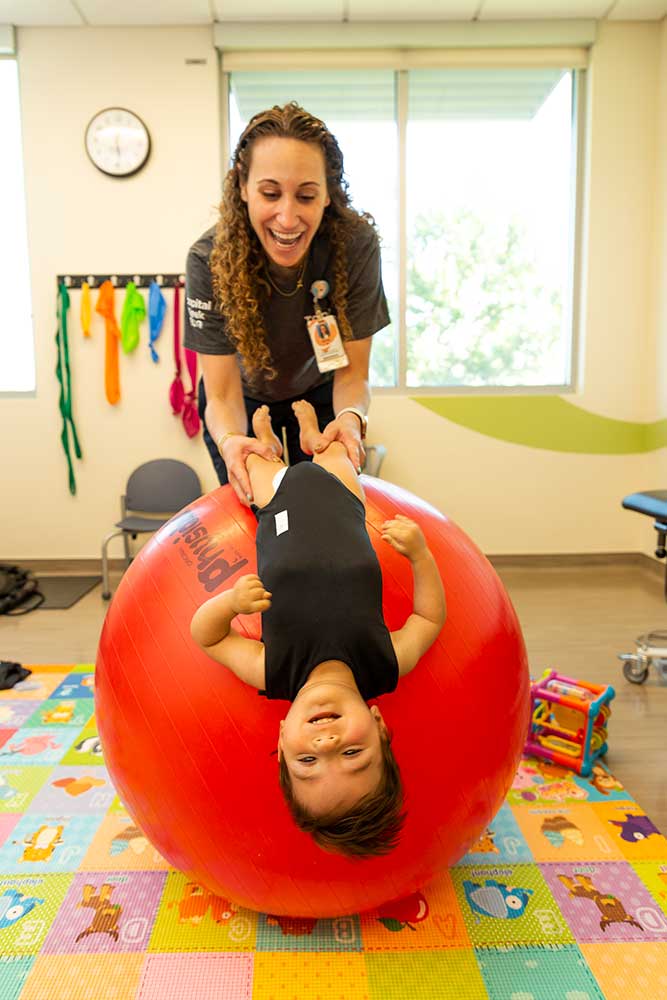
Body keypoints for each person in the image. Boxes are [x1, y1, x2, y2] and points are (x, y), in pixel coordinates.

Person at [191, 400, 446, 858]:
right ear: (379, 727)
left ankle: (267, 442)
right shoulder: (384, 664)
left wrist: (230, 603)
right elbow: (428, 620)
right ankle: (309, 434)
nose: (326, 743)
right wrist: (421, 556)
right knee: (333, 453)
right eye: (353, 755)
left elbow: (206, 637)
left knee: (256, 465)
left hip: (280, 512)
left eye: (307, 760)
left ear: (283, 736)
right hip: (341, 502)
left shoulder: (275, 671)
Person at [184, 102, 389, 506]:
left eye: (307, 196)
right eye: (270, 193)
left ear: (328, 194)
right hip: (239, 397)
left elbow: (352, 375)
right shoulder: (209, 258)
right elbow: (222, 395)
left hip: (318, 391)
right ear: (242, 187)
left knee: (324, 507)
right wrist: (231, 442)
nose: (287, 217)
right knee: (260, 508)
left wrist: (350, 419)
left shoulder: (355, 246)